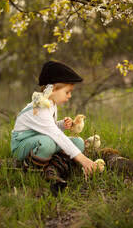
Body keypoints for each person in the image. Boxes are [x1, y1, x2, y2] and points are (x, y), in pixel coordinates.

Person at [11, 61, 97, 189]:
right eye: (67, 92)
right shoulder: (39, 108)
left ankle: (52, 170)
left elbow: (49, 127)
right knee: (48, 143)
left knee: (78, 143)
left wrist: (62, 124)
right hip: (22, 144)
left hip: (40, 138)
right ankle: (32, 170)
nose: (70, 95)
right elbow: (54, 134)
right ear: (53, 90)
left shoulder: (51, 104)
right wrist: (83, 160)